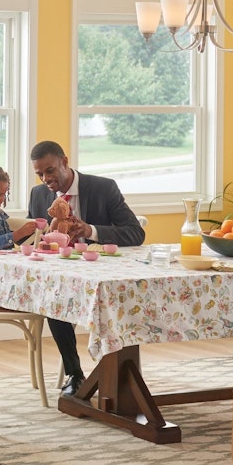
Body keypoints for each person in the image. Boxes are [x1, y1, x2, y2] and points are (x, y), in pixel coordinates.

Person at [26, 140, 146, 397]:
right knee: (52, 299)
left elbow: (136, 233)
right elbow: (32, 238)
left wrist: (90, 230)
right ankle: (75, 375)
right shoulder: (38, 195)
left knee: (64, 297)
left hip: (103, 276)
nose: (46, 179)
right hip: (62, 278)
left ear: (64, 162)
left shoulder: (103, 188)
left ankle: (116, 376)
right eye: (39, 174)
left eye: (50, 170)